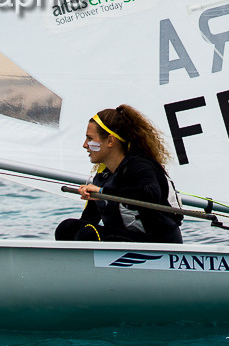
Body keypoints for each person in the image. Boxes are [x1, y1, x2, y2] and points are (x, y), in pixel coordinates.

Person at [54, 104, 183, 245]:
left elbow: (150, 194)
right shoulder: (101, 177)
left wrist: (103, 192)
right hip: (125, 240)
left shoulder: (141, 166)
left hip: (159, 243)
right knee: (67, 228)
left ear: (110, 141)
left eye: (90, 139)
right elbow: (89, 220)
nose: (85, 145)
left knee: (88, 234)